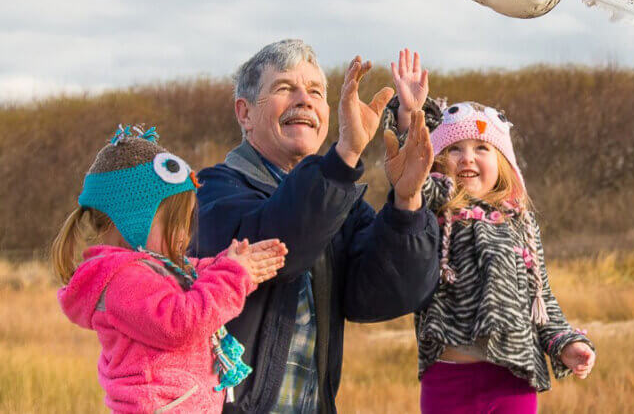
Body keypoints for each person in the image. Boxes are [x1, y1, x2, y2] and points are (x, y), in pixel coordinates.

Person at [193, 39, 440, 413]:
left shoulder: (339, 204)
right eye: (284, 88)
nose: (304, 100)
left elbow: (385, 294)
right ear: (244, 113)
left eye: (315, 92)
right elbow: (280, 247)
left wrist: (407, 202)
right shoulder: (213, 192)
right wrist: (345, 156)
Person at [382, 50, 596, 414]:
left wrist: (566, 343)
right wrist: (409, 116)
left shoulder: (520, 224)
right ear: (437, 159)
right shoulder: (435, 205)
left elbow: (541, 300)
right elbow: (407, 177)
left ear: (503, 164)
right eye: (455, 149)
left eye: (482, 148)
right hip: (448, 377)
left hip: (512, 378)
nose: (467, 158)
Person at [54, 124, 287, 413]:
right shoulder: (123, 280)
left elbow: (190, 275)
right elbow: (182, 322)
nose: (184, 237)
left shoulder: (149, 270)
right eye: (176, 224)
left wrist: (233, 263)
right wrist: (232, 276)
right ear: (134, 220)